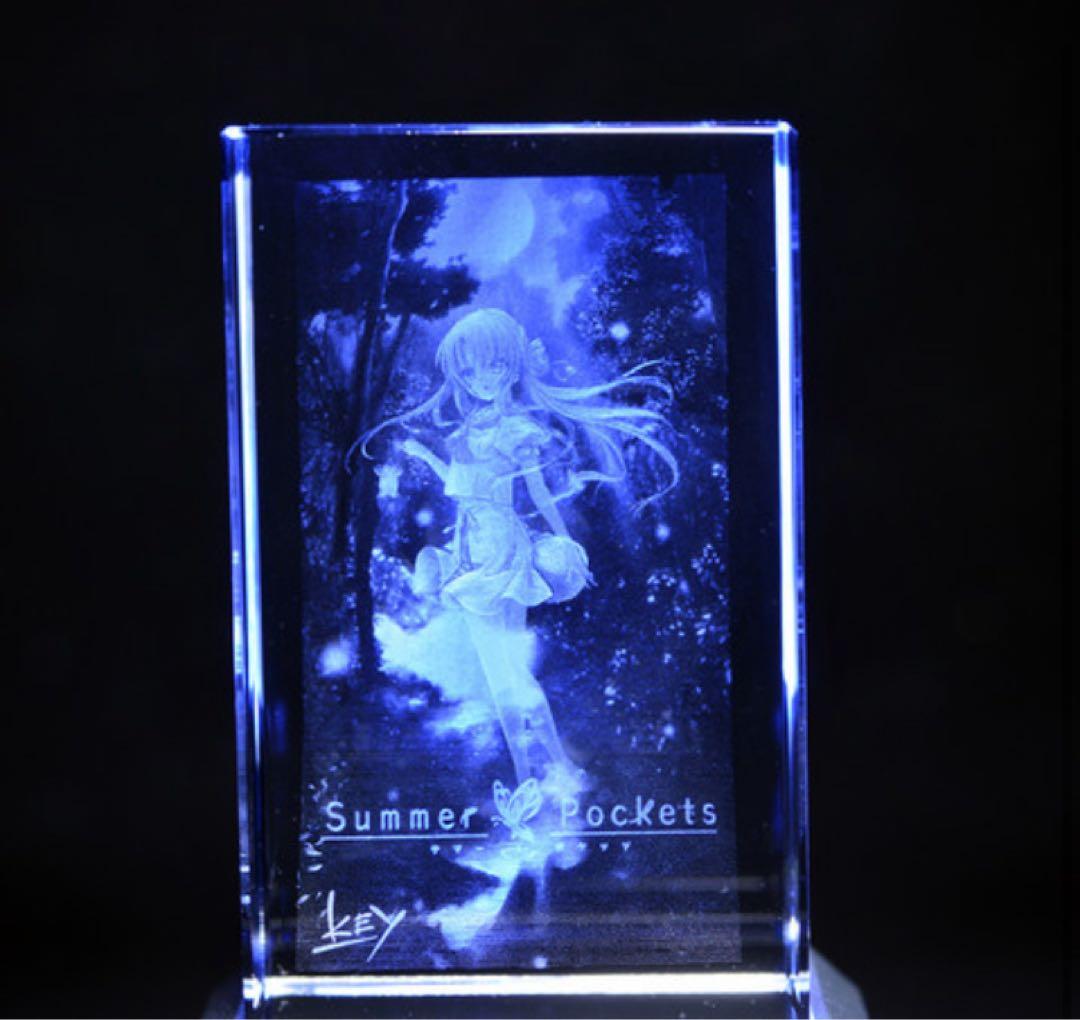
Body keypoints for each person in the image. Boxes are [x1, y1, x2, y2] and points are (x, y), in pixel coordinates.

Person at [356, 308, 678, 784]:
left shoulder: (516, 429)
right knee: (500, 674)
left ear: (510, 366)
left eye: (488, 366)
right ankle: (538, 771)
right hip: (471, 549)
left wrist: (566, 543)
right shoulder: (470, 428)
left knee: (507, 671)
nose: (478, 379)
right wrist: (424, 455)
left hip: (500, 551)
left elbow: (540, 494)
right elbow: (465, 489)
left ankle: (550, 768)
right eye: (467, 372)